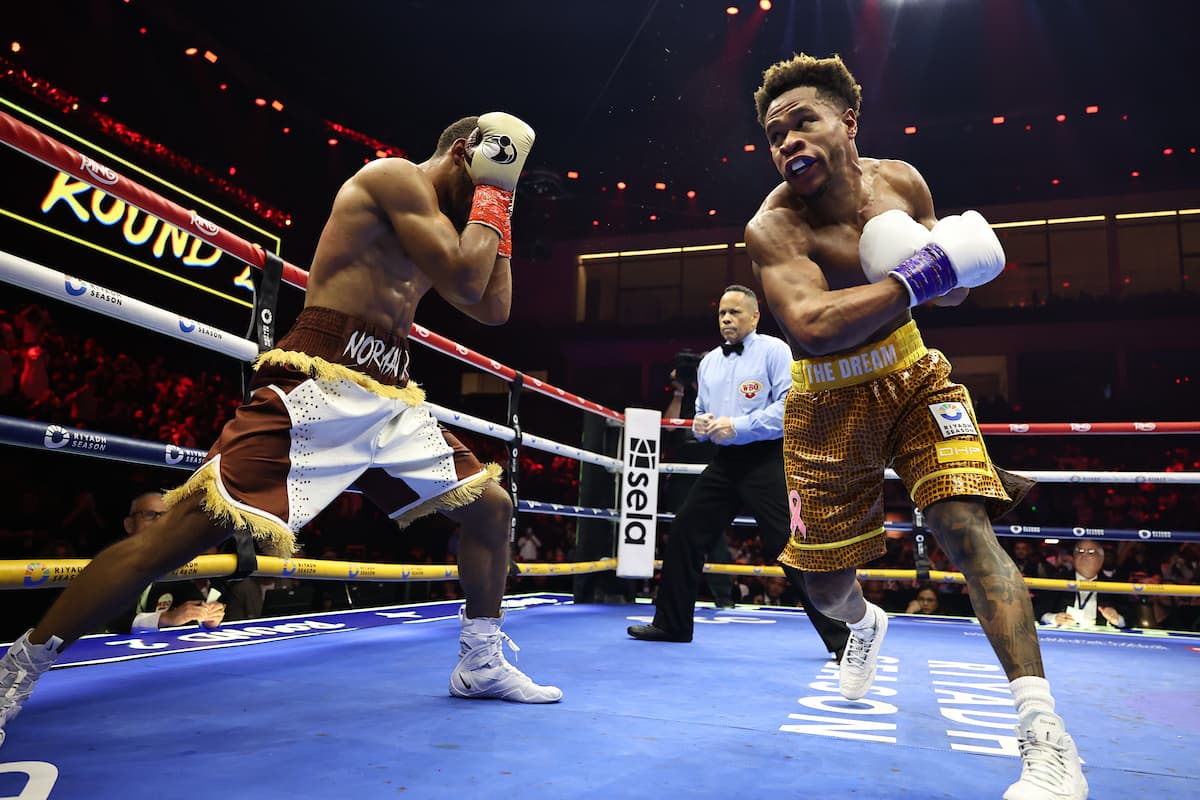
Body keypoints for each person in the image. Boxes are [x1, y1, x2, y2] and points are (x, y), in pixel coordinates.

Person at [0, 111, 562, 748]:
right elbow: (465, 275)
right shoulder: (394, 178)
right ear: (466, 152)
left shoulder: (450, 222)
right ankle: (18, 665)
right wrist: (492, 193)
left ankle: (479, 662)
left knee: (490, 507)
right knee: (171, 542)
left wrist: (500, 202)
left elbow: (492, 307)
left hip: (388, 392)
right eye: (493, 172)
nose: (493, 193)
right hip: (317, 383)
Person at [744, 54, 1086, 799]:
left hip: (912, 375)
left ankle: (1045, 739)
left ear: (848, 124)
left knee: (965, 527)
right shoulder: (772, 226)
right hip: (826, 402)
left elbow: (952, 292)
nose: (789, 142)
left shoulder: (900, 181)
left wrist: (948, 270)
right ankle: (864, 624)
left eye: (803, 121)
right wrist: (915, 276)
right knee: (825, 585)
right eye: (775, 135)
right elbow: (808, 324)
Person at [627, 285, 849, 660]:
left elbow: (789, 407)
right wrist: (701, 424)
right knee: (685, 529)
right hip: (725, 462)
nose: (727, 319)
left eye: (735, 312)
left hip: (766, 460)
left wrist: (739, 426)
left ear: (754, 316)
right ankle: (672, 623)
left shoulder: (775, 351)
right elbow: (702, 409)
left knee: (790, 546)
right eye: (722, 314)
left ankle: (842, 638)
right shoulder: (709, 361)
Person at [104, 491, 227, 634]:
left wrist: (208, 616)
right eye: (150, 515)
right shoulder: (110, 563)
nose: (159, 522)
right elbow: (111, 621)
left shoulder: (174, 565)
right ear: (129, 524)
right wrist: (165, 618)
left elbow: (192, 603)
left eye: (165, 517)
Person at [1040, 540, 1127, 629]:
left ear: (1101, 559)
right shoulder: (1058, 582)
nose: (1084, 556)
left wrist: (1117, 619)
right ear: (1074, 558)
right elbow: (1038, 611)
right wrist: (1053, 618)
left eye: (1091, 552)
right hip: (1064, 635)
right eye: (1080, 551)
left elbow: (1131, 618)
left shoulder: (1112, 586)